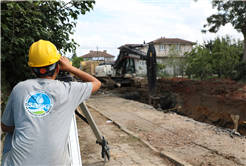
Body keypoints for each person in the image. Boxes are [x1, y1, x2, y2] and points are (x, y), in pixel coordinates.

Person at [1, 39, 101, 165]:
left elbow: (5, 127)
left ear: (32, 69)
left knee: (12, 136)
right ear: (58, 68)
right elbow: (96, 83)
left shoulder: (20, 88)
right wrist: (71, 68)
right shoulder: (69, 90)